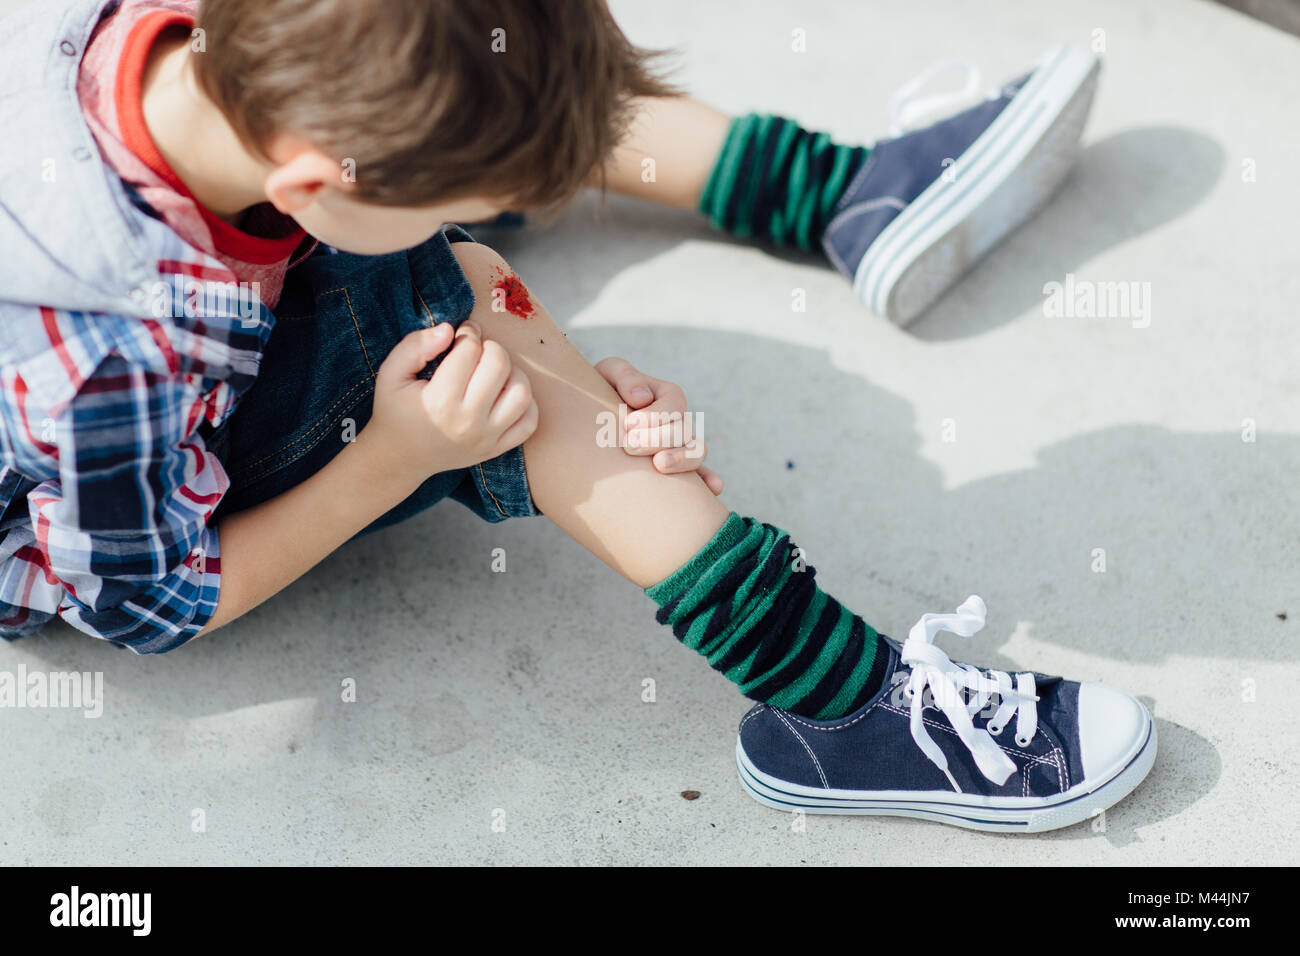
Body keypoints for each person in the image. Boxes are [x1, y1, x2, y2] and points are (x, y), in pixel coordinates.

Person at [0, 0, 1153, 831]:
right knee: (475, 312)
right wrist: (404, 452)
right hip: (131, 500)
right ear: (312, 185)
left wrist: (578, 378)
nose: (517, 208)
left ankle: (843, 194)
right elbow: (157, 600)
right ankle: (844, 705)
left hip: (218, 287)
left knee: (492, 67)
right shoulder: (113, 356)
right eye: (475, 197)